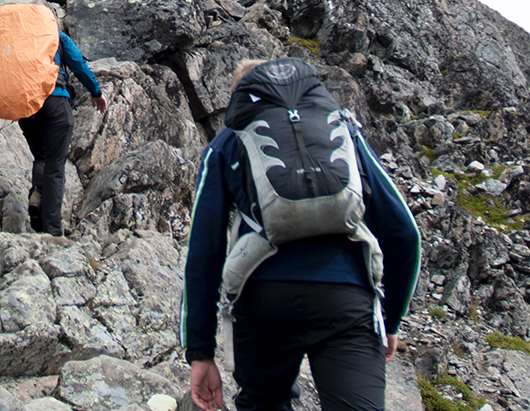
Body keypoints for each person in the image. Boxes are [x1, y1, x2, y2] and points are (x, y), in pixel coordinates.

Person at [180, 59, 421, 411]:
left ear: (241, 98)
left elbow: (203, 251)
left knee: (263, 403)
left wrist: (200, 351)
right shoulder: (342, 128)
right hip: (346, 298)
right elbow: (405, 231)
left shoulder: (228, 141)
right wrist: (390, 319)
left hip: (264, 299)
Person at [0, 23, 105, 234]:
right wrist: (96, 92)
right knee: (55, 166)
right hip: (56, 103)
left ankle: (37, 195)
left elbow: (0, 84)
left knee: (42, 157)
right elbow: (78, 66)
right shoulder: (56, 36)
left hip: (26, 107)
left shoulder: (14, 45)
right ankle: (53, 232)